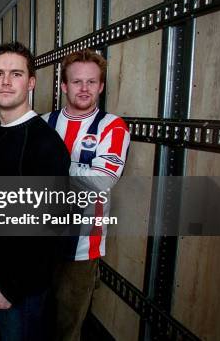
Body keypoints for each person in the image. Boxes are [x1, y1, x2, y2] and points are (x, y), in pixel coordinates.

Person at [0, 41, 70, 340]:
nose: (5, 81)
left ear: (30, 83)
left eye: (15, 74)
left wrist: (9, 286)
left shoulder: (45, 144)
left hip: (18, 288)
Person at [42, 48, 130, 341]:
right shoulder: (44, 123)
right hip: (38, 237)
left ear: (101, 86)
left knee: (68, 325)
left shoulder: (112, 126)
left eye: (91, 82)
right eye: (77, 81)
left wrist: (56, 167)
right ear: (64, 86)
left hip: (82, 245)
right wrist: (80, 168)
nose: (84, 88)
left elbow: (102, 182)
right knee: (34, 317)